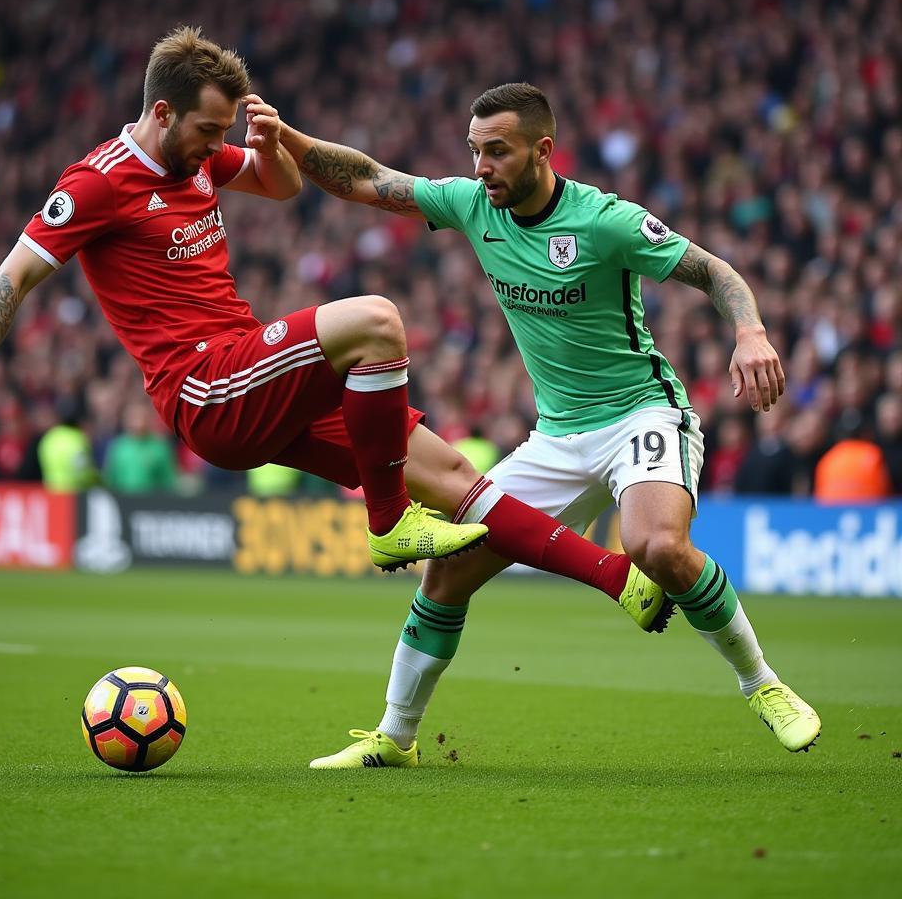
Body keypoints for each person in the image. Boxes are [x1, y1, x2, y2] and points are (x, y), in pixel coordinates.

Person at [0, 30, 666, 627]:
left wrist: (271, 145)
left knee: (455, 479)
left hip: (256, 375)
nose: (217, 148)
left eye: (224, 134)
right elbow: (10, 276)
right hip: (204, 386)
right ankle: (385, 522)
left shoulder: (198, 157)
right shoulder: (99, 182)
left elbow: (278, 188)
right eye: (209, 131)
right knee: (376, 321)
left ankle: (615, 580)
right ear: (164, 113)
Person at [281, 81, 821, 767]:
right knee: (445, 575)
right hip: (556, 438)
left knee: (656, 548)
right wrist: (292, 143)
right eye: (475, 151)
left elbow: (715, 272)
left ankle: (763, 684)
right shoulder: (472, 204)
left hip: (641, 414)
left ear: (543, 150)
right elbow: (369, 180)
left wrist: (750, 331)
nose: (481, 167)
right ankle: (396, 737)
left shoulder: (605, 221)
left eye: (497, 152)